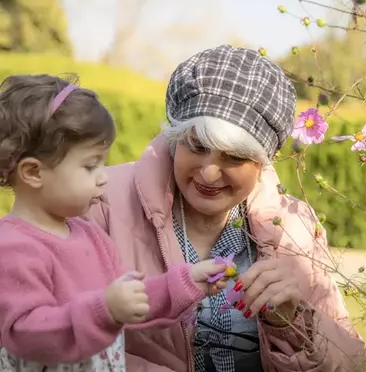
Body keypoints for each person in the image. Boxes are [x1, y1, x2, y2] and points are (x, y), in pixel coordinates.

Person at [88, 44, 366, 372]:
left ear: (263, 161)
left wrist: (294, 321)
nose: (208, 172)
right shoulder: (100, 201)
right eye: (196, 145)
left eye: (233, 156)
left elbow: (351, 363)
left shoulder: (295, 226)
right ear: (176, 136)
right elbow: (46, 335)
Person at [0, 74, 232, 372]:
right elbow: (25, 333)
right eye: (90, 165)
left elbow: (130, 299)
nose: (103, 176)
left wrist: (187, 281)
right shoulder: (14, 248)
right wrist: (104, 310)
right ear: (33, 172)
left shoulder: (88, 234)